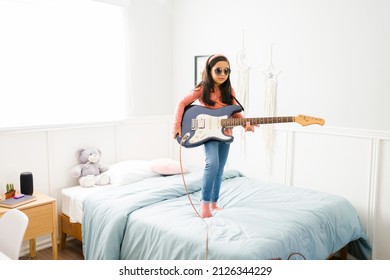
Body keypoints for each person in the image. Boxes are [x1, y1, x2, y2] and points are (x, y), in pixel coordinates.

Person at [172, 54, 257, 218]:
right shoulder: (203, 88)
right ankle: (204, 205)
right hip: (208, 134)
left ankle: (214, 202)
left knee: (220, 169)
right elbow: (181, 103)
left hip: (225, 133)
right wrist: (176, 126)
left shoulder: (229, 91)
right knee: (212, 164)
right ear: (209, 70)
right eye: (218, 70)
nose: (223, 74)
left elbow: (235, 112)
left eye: (226, 71)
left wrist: (245, 123)